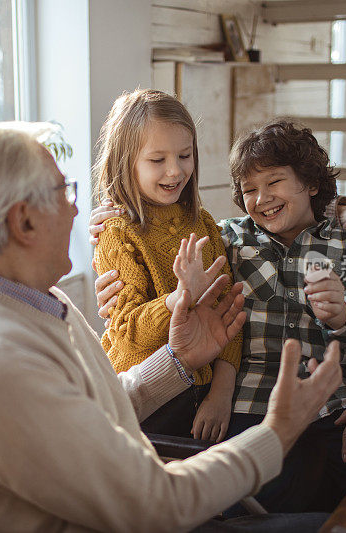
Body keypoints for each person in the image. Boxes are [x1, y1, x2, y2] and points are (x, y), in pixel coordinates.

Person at [0, 121, 344, 532]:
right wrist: (278, 431)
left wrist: (178, 360)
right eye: (63, 191)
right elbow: (158, 505)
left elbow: (93, 411)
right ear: (24, 220)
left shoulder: (29, 301)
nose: (81, 213)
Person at [92, 135, 346, 477]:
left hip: (333, 398)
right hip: (247, 397)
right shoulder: (249, 226)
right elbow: (172, 256)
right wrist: (119, 228)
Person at [92, 121, 346, 512]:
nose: (262, 198)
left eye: (274, 183)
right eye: (249, 190)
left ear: (312, 183)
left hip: (331, 401)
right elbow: (165, 246)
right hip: (253, 402)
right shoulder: (228, 237)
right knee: (263, 499)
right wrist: (107, 224)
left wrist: (344, 311)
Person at [93, 89, 242, 441]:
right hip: (145, 398)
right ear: (125, 162)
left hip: (203, 395)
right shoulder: (116, 233)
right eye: (157, 160)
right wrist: (179, 298)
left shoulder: (203, 222)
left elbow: (229, 312)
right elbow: (127, 331)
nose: (175, 171)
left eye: (185, 155)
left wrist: (221, 393)